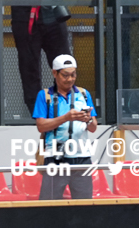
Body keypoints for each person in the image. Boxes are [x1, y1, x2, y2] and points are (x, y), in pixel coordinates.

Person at [31, 54, 97, 201]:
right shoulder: (45, 96)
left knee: (85, 205)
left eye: (73, 75)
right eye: (65, 75)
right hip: (56, 155)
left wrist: (88, 120)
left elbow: (93, 127)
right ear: (55, 73)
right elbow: (41, 126)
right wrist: (66, 118)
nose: (70, 79)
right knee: (49, 204)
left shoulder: (84, 94)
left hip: (82, 156)